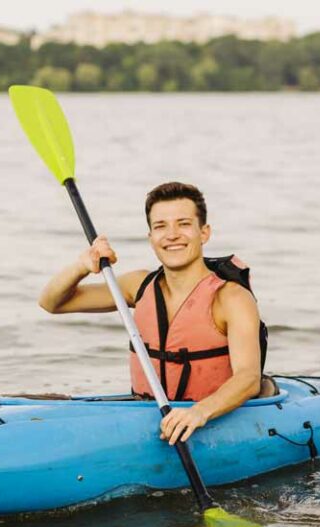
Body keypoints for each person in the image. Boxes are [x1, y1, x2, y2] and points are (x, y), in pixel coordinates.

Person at [38, 181, 270, 446]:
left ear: (204, 233)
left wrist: (198, 413)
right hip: (148, 411)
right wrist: (82, 266)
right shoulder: (138, 286)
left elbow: (248, 378)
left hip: (209, 415)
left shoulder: (231, 298)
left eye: (183, 224)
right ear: (150, 237)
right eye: (160, 226)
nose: (171, 235)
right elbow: (51, 303)